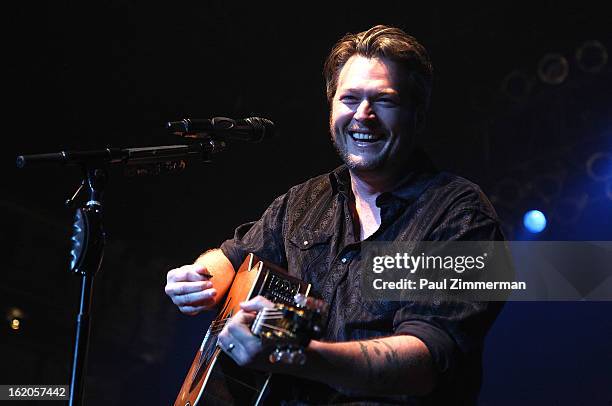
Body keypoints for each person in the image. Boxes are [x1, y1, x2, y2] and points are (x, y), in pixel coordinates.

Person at [165, 25, 505, 405]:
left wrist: (298, 354)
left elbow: (426, 361)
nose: (363, 114)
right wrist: (201, 278)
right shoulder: (302, 201)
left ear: (417, 113)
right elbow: (232, 258)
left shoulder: (461, 216)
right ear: (331, 107)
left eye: (384, 100)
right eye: (350, 98)